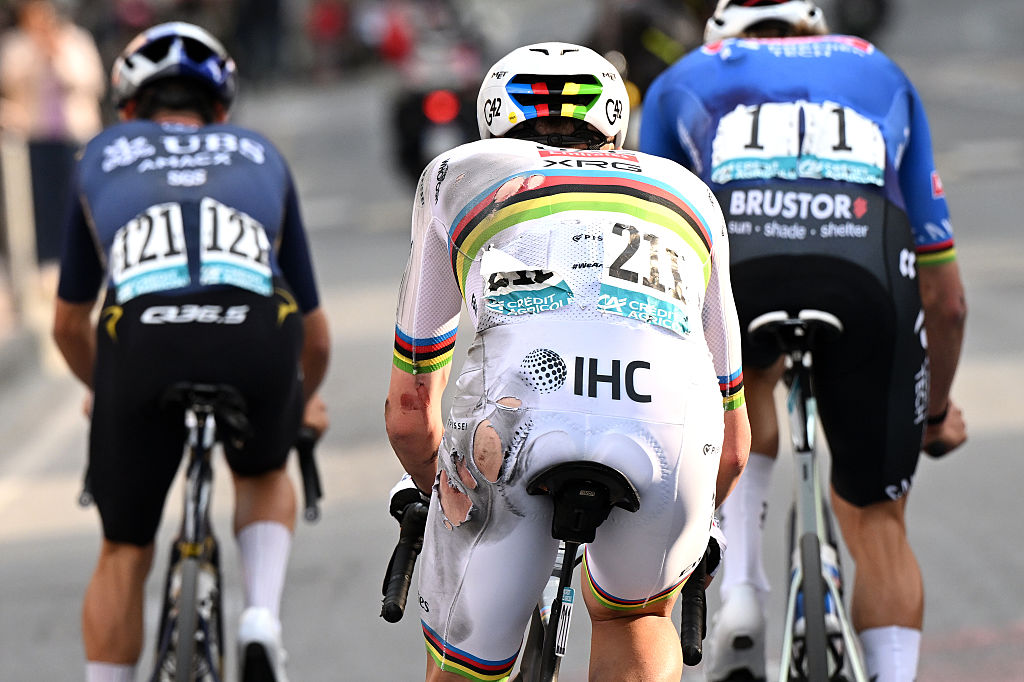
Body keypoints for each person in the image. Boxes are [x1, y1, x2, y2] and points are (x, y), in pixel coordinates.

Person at [384, 41, 750, 682]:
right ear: (612, 124)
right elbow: (735, 443)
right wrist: (694, 530)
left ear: (493, 120)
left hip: (514, 420)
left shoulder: (458, 172)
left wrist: (434, 492)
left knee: (465, 669)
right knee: (635, 618)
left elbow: (411, 411)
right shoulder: (687, 190)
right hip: (668, 427)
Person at [639, 1, 968, 680]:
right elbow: (947, 298)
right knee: (877, 518)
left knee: (744, 376)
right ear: (817, 31)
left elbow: (651, 243)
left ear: (720, 31)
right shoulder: (876, 67)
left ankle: (743, 595)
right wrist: (933, 414)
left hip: (741, 257)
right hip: (864, 262)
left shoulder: (688, 74)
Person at [51, 22, 330, 682]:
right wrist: (299, 400)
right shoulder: (260, 152)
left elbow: (68, 324)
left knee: (123, 546)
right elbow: (315, 335)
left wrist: (110, 388)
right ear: (221, 109)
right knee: (263, 469)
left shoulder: (101, 153)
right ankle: (260, 616)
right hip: (257, 329)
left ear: (126, 108)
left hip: (141, 336)